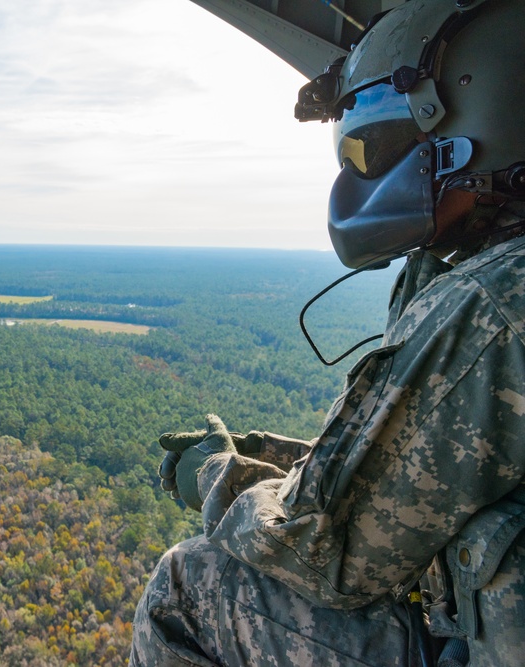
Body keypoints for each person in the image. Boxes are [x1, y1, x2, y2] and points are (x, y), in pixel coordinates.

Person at [130, 1, 525, 665]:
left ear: (484, 115)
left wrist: (216, 474)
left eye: (385, 143)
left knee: (188, 585)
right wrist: (280, 459)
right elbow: (424, 479)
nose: (366, 170)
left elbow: (331, 555)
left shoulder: (493, 301)